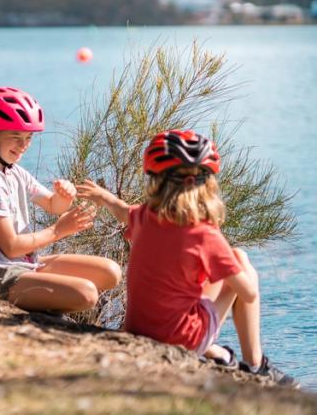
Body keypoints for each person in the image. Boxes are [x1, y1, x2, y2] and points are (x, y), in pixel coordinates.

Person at [77, 130, 298, 387]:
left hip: (137, 331)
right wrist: (234, 261)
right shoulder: (204, 234)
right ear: (207, 184)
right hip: (181, 340)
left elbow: (124, 212)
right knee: (241, 261)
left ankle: (218, 354)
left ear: (156, 180)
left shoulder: (146, 216)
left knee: (196, 279)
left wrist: (105, 197)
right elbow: (247, 293)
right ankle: (256, 366)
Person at [0, 87, 121, 312]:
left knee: (111, 272)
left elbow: (53, 205)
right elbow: (10, 247)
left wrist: (64, 196)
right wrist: (57, 231)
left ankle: (40, 290)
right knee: (86, 293)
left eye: (28, 138)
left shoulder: (13, 172)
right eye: (15, 137)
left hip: (20, 264)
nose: (23, 146)